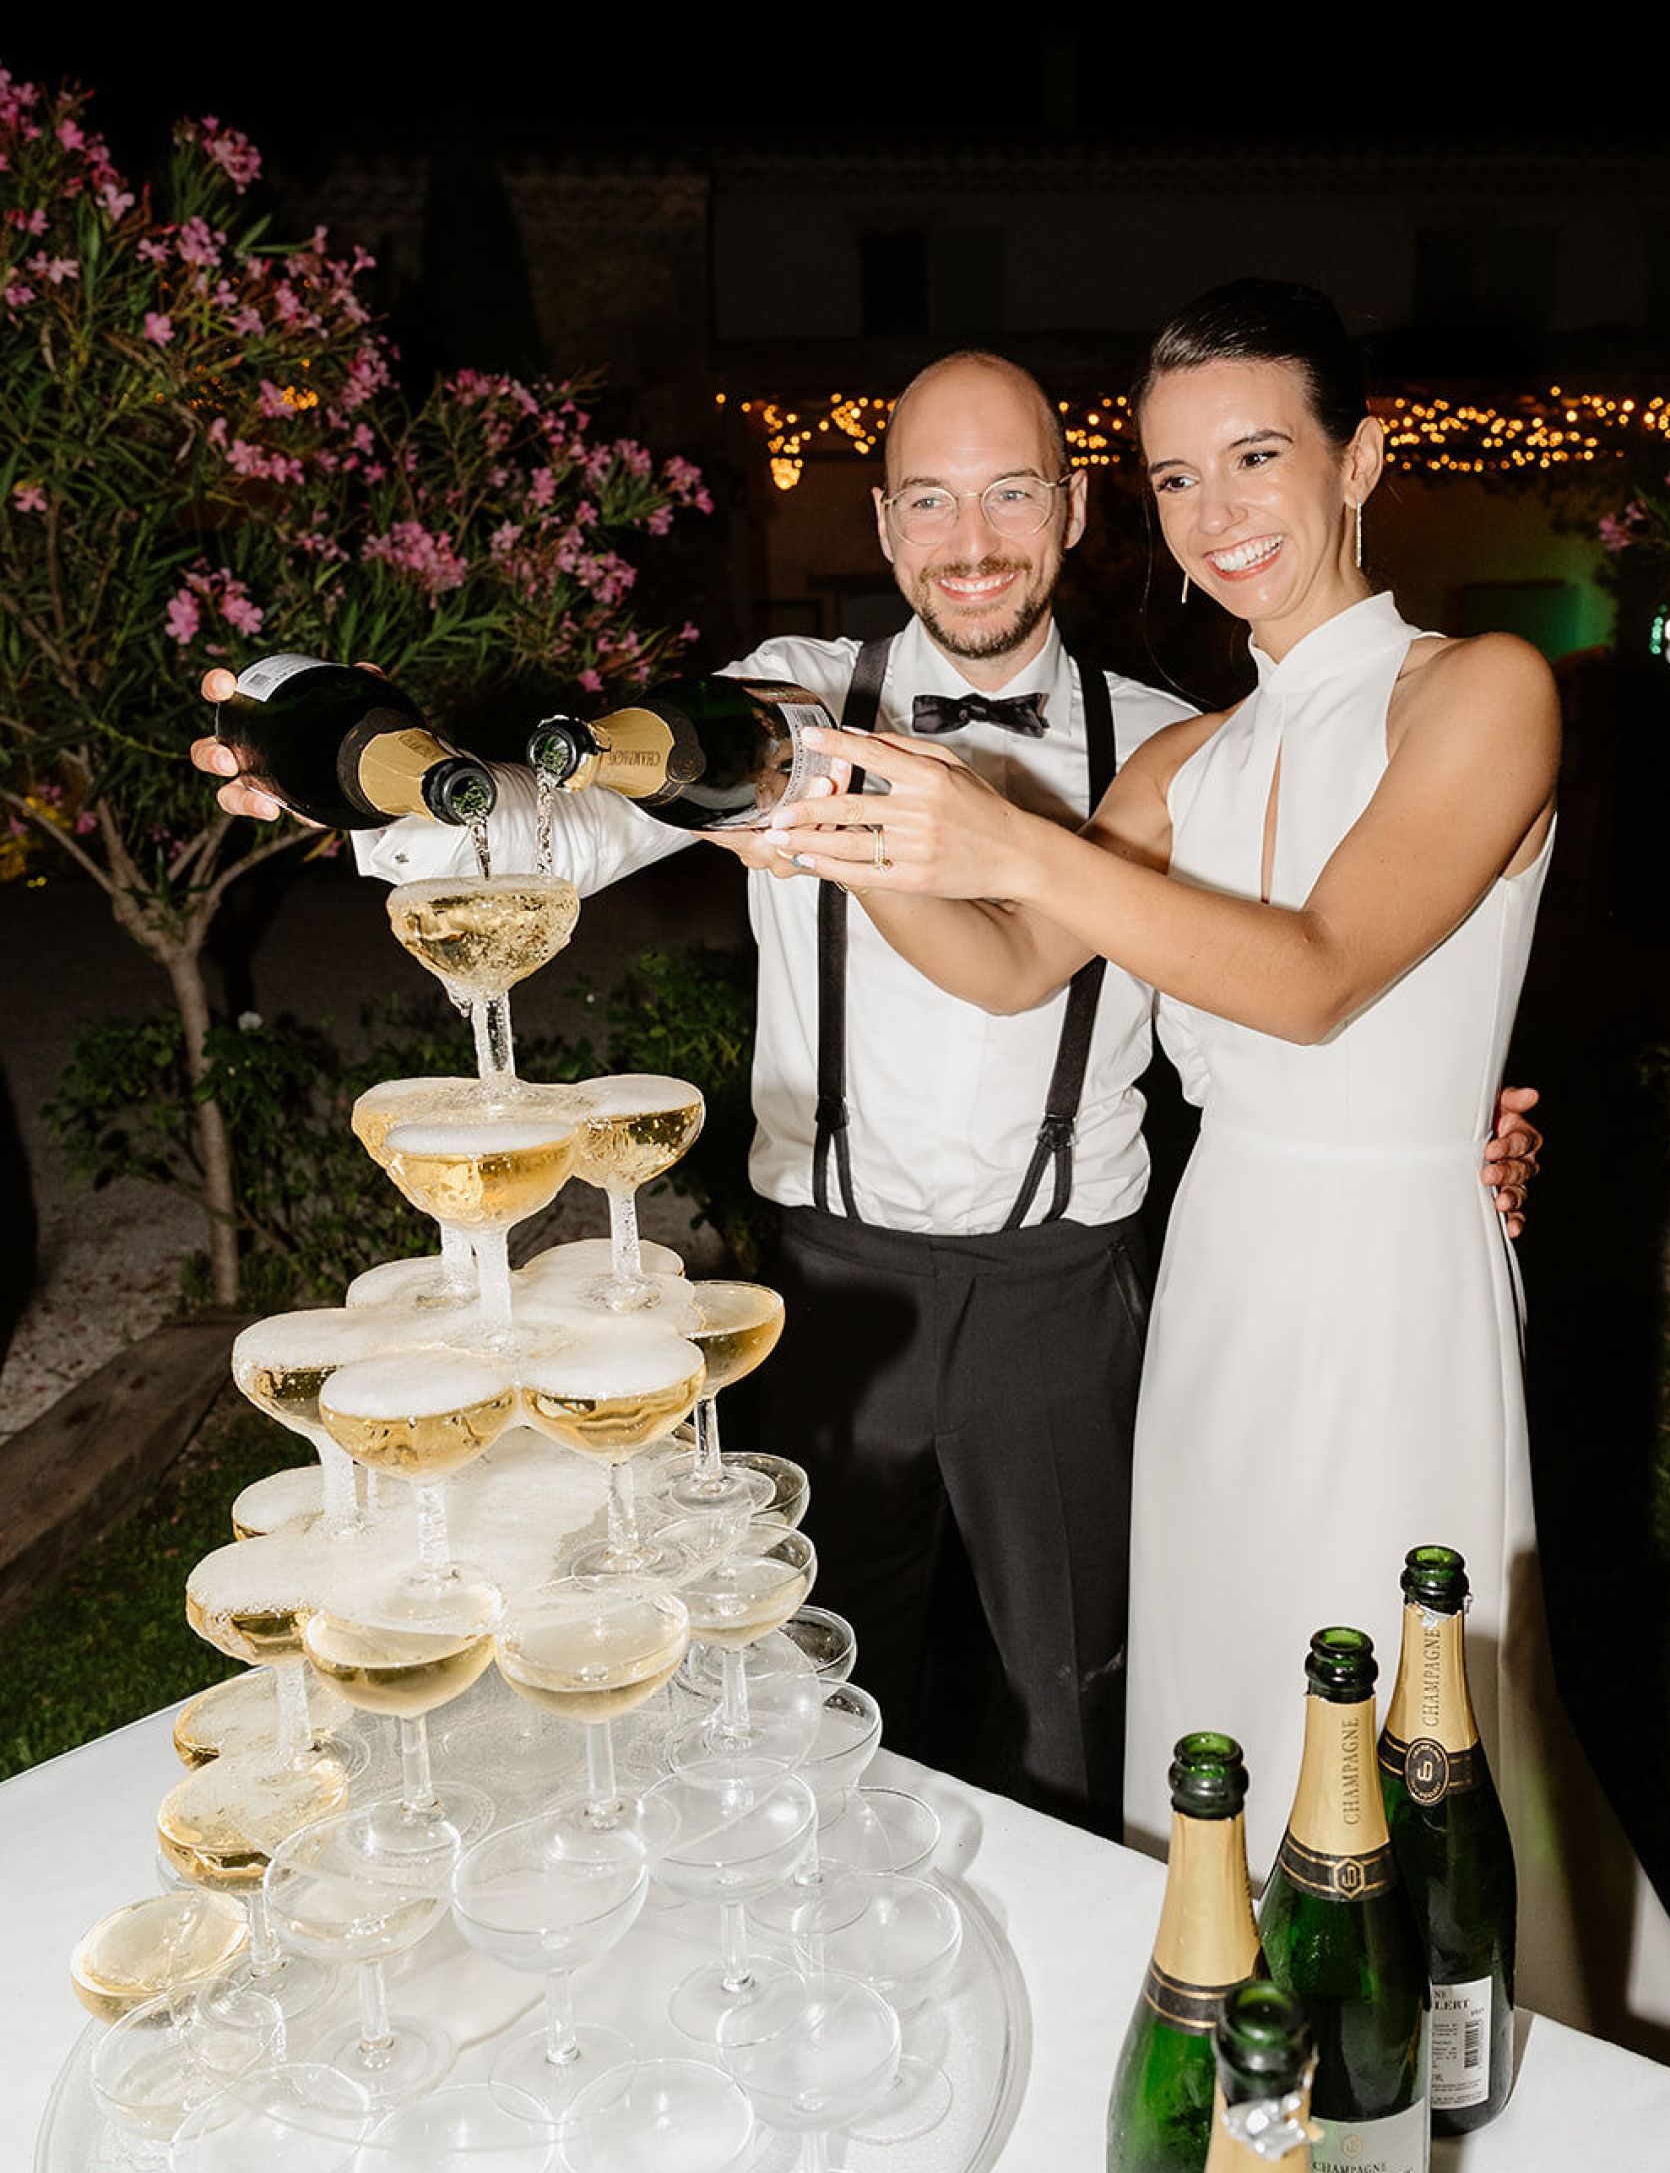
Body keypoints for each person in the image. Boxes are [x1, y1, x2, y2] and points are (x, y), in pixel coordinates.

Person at [191, 347, 1540, 1847]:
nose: (974, 542)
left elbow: (1300, 957)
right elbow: (561, 832)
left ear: (1074, 509)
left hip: (1067, 1298)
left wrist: (1443, 1112)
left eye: (1011, 494)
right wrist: (383, 811)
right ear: (885, 523)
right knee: (816, 1680)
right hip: (834, 1291)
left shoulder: (1172, 737)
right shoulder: (789, 699)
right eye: (931, 500)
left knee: (1091, 1689)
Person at [759, 283, 1670, 2080]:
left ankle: (1436, 2073)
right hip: (1219, 1279)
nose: (1215, 513)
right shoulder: (1181, 760)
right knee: (1219, 1690)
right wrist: (848, 829)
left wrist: (1007, 841)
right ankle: (1237, 2066)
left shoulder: (1483, 689)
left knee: (1399, 1714)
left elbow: (1313, 977)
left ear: (1360, 460)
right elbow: (1011, 967)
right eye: (1173, 477)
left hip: (1393, 1276)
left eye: (1257, 456)